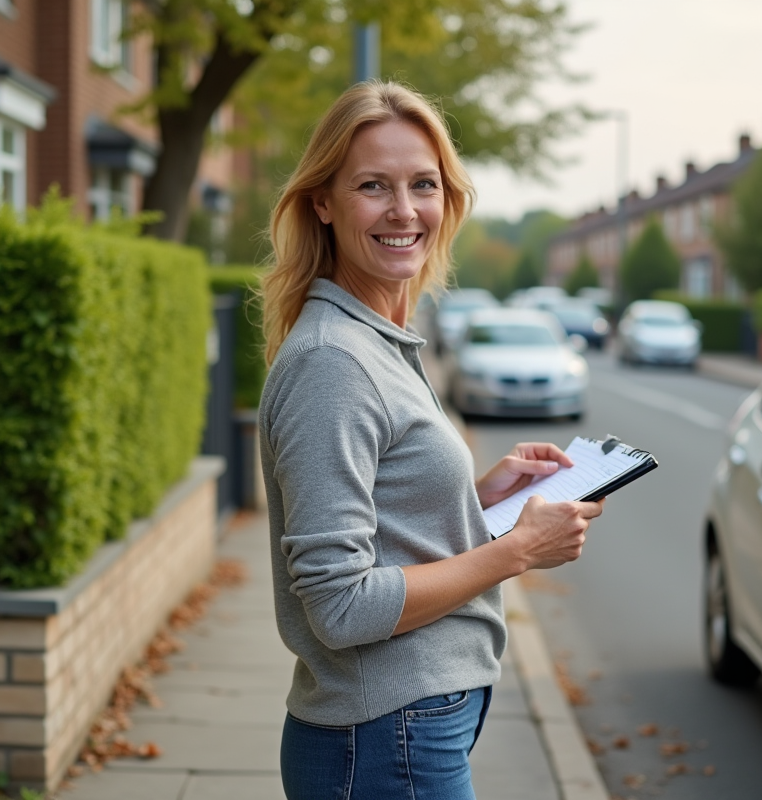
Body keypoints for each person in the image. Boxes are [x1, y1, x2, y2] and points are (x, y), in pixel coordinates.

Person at [258, 80, 604, 800]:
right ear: (323, 202)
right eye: (372, 186)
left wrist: (475, 497)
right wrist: (516, 551)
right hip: (386, 736)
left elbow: (380, 518)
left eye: (424, 184)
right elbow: (342, 606)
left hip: (404, 730)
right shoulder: (335, 361)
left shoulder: (373, 341)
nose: (404, 210)